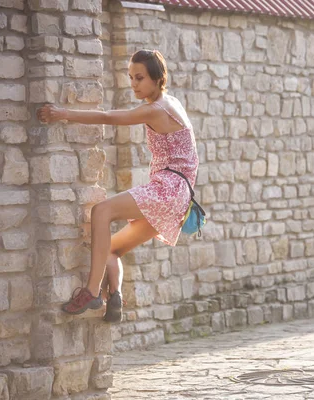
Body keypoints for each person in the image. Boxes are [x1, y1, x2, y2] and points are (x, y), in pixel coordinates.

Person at [37, 49, 199, 322]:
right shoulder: (171, 103)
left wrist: (63, 113)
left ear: (158, 79)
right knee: (109, 249)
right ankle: (115, 298)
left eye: (140, 78)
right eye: (131, 78)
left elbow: (110, 117)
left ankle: (91, 292)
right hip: (180, 197)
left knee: (101, 211)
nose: (133, 84)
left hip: (169, 188)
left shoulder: (156, 109)